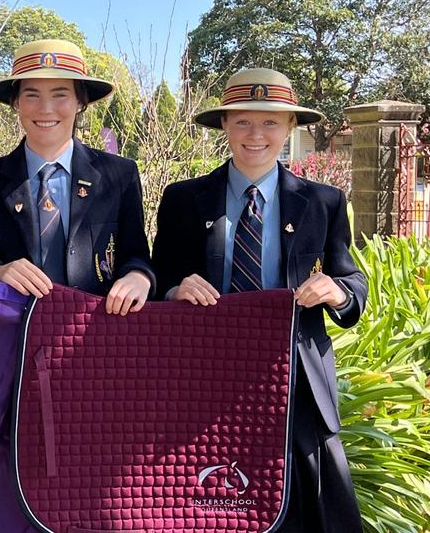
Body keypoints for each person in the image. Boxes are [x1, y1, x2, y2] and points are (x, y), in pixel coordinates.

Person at [151, 67, 366, 533]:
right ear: (224, 125)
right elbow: (159, 277)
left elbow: (352, 278)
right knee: (209, 502)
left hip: (294, 377)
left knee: (304, 508)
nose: (256, 134)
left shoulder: (324, 201)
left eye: (270, 122)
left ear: (291, 127)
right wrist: (173, 289)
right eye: (243, 121)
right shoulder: (183, 199)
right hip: (204, 375)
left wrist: (339, 290)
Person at [0, 39, 154, 314]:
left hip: (94, 335)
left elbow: (136, 254)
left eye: (60, 94)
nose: (46, 109)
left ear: (81, 101)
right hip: (6, 339)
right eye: (32, 95)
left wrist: (138, 277)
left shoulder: (119, 175)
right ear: (15, 102)